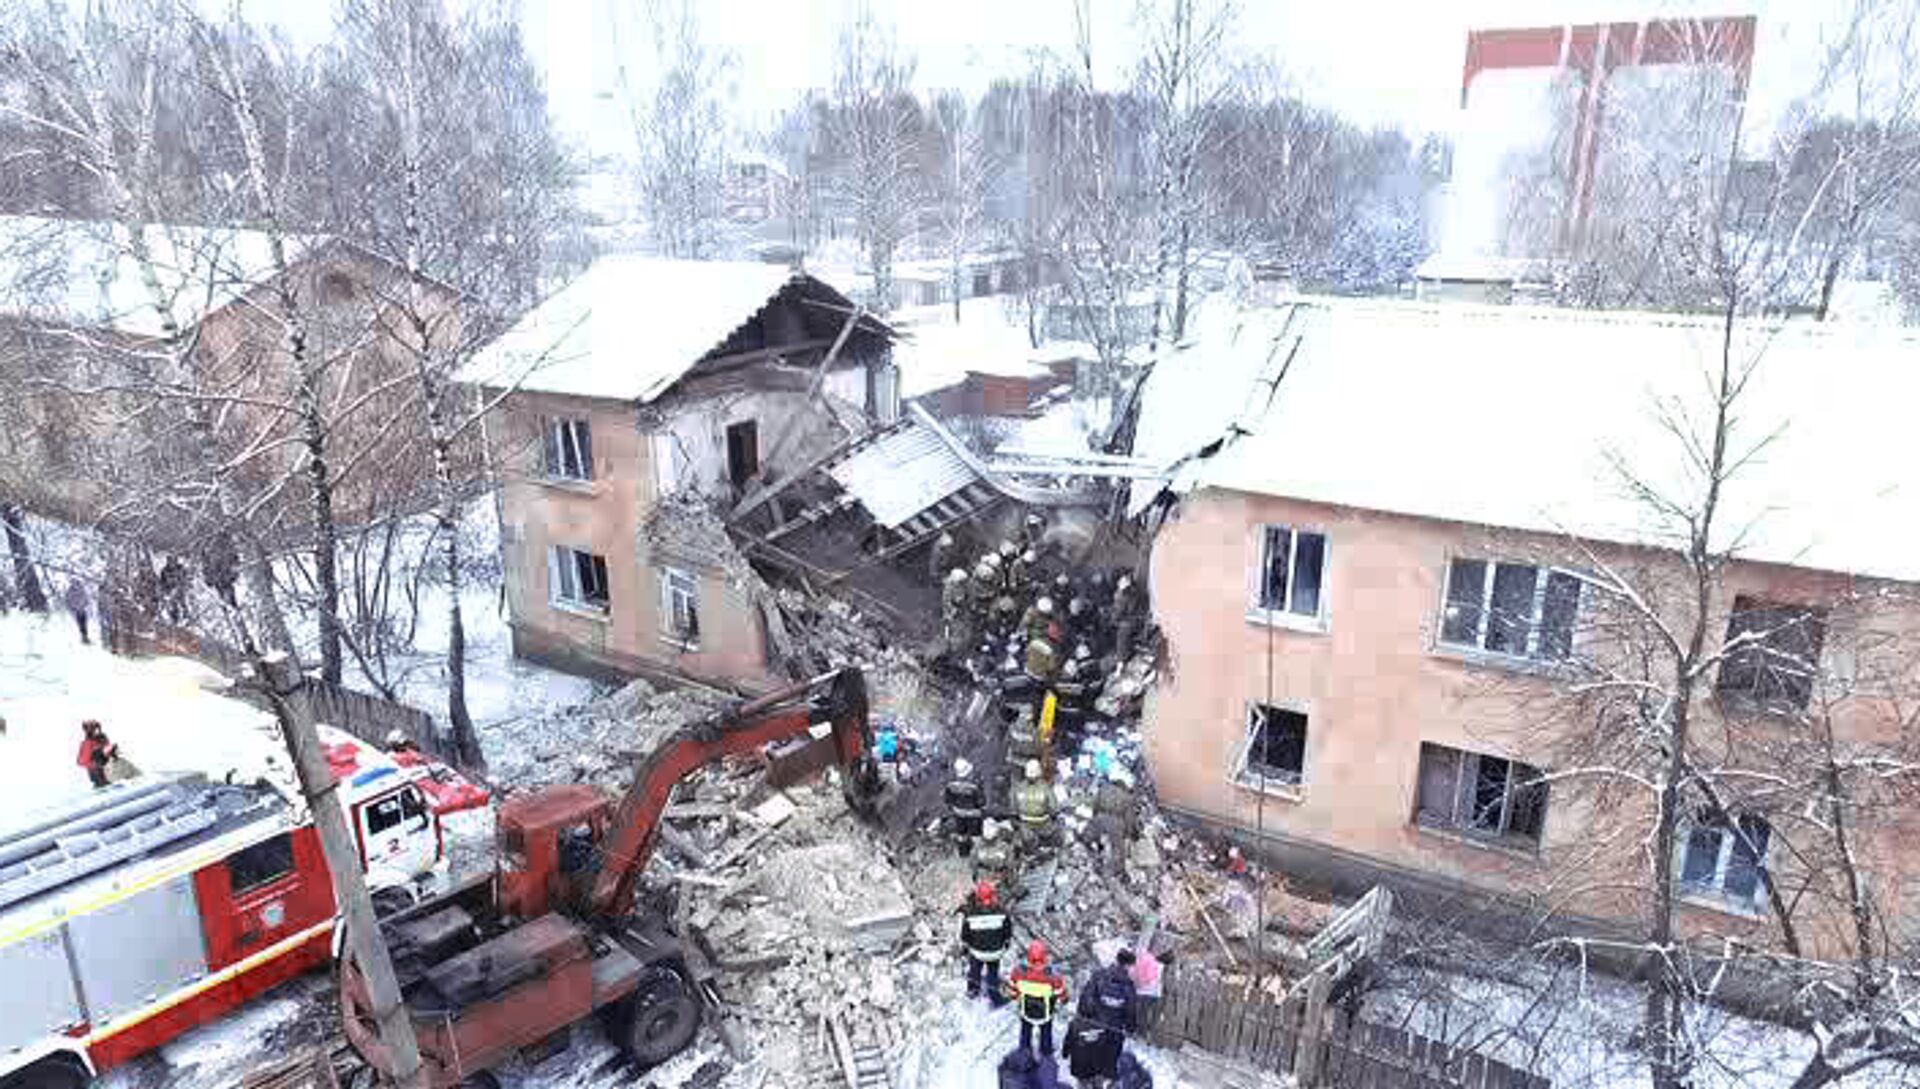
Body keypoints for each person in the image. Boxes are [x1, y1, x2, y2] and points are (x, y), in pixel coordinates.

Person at [1006, 940, 1068, 1057]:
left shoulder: (1018, 973)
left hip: (1026, 1012)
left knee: (1025, 1032)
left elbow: (1012, 993)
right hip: (1045, 1014)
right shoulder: (1053, 977)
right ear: (1045, 957)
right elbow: (1062, 994)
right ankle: (1046, 1051)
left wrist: (1016, 996)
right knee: (1046, 1033)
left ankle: (1025, 1051)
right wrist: (1064, 1000)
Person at [958, 880, 1012, 1002]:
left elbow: (964, 936)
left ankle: (973, 991)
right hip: (996, 952)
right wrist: (1003, 945)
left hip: (977, 952)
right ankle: (994, 995)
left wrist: (967, 947)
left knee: (974, 969)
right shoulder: (1002, 912)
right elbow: (1007, 934)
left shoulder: (970, 914)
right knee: (992, 973)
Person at [1080, 949, 1139, 1034]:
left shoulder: (1098, 976)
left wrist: (1083, 1015)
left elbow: (1086, 996)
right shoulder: (1128, 985)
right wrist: (1130, 1027)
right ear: (1128, 965)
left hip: (1094, 1023)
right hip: (1114, 1030)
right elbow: (1130, 1009)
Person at [1063, 1015, 1124, 1089]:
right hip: (1097, 1066)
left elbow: (1068, 1041)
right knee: (1097, 1084)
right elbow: (1111, 1044)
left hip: (1080, 1067)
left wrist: (1065, 1053)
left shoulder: (1074, 1024)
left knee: (1083, 1084)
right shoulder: (1103, 1024)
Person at [945, 757, 986, 857]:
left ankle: (963, 853)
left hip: (958, 813)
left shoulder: (951, 784)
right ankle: (977, 855)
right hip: (974, 814)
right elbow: (981, 802)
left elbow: (948, 800)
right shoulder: (974, 785)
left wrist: (954, 808)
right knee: (976, 835)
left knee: (961, 834)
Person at [75, 720, 118, 789]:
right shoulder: (87, 743)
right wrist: (94, 763)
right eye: (92, 729)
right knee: (100, 779)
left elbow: (106, 751)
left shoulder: (102, 738)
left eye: (96, 728)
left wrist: (112, 751)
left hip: (108, 770)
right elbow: (81, 761)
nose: (95, 731)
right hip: (97, 773)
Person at [63, 578, 90, 645]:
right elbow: (68, 601)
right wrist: (73, 609)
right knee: (80, 624)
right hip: (76, 611)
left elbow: (86, 598)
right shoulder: (69, 591)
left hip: (82, 610)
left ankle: (85, 636)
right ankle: (83, 637)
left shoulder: (82, 589)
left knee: (84, 623)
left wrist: (84, 605)